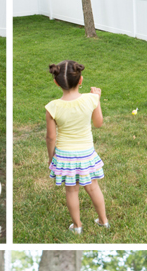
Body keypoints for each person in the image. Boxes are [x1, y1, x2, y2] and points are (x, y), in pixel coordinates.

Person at [44, 58, 108, 233]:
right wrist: (97, 99)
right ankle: (103, 221)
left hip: (65, 155)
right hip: (86, 153)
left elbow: (50, 138)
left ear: (56, 83)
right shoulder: (91, 99)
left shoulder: (52, 107)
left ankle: (77, 226)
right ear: (80, 80)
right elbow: (98, 123)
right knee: (93, 187)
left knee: (72, 192)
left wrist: (52, 157)